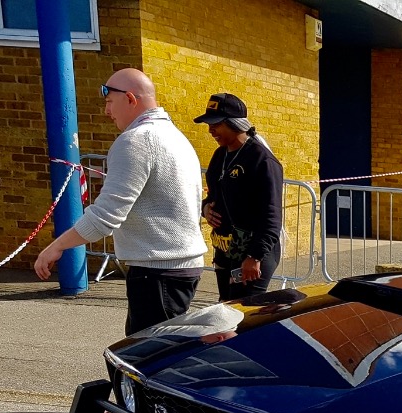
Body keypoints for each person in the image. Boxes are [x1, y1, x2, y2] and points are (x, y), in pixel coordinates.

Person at [34, 68, 207, 335]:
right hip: (177, 266)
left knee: (144, 361)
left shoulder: (136, 141)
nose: (106, 111)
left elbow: (105, 217)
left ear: (130, 98)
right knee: (155, 354)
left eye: (108, 102)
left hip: (157, 270)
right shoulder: (175, 137)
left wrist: (56, 247)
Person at [194, 93, 284, 300]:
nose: (210, 130)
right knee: (226, 309)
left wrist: (255, 256)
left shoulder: (262, 160)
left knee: (244, 313)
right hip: (226, 249)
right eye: (208, 124)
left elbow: (271, 215)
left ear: (235, 123)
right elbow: (215, 196)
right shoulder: (220, 155)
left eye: (216, 124)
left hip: (253, 252)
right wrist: (205, 208)